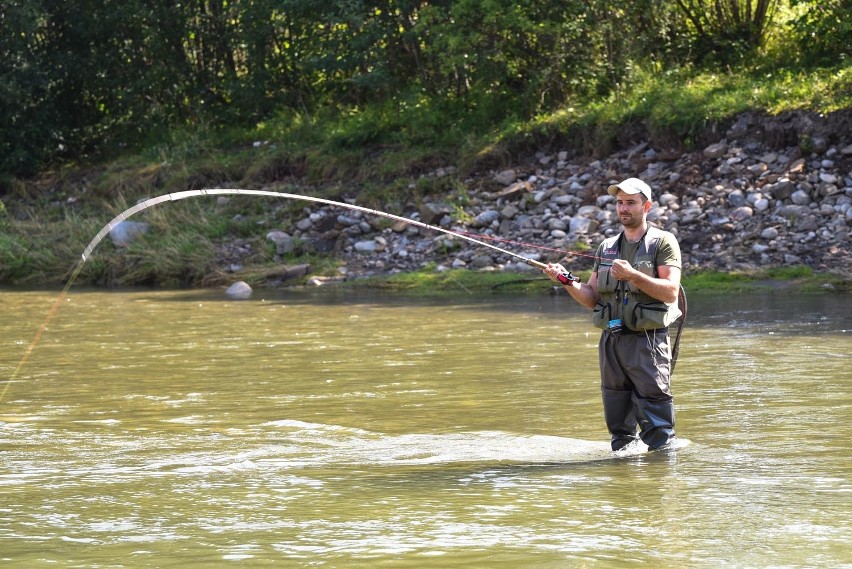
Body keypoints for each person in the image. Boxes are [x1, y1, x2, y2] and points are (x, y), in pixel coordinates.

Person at [543, 177, 682, 452]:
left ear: (647, 207)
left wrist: (633, 275)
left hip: (648, 341)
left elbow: (670, 292)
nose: (623, 208)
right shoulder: (606, 247)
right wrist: (566, 280)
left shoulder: (663, 243)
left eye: (630, 202)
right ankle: (623, 477)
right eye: (619, 203)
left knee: (656, 422)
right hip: (611, 341)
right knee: (617, 419)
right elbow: (592, 298)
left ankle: (661, 476)